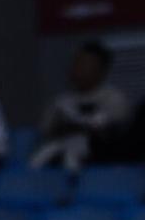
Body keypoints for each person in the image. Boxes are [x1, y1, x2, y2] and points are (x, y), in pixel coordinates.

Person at [31, 40, 129, 170]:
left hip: (102, 164)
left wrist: (75, 126)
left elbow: (108, 132)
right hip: (59, 162)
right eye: (76, 62)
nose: (77, 68)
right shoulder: (60, 101)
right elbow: (46, 132)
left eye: (84, 64)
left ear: (102, 70)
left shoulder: (115, 99)